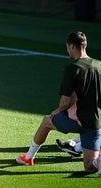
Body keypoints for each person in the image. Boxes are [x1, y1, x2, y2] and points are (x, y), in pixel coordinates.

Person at [16, 31, 101, 175]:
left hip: (77, 120)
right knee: (89, 167)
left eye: (67, 47)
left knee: (46, 121)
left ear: (72, 46)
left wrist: (58, 111)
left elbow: (65, 101)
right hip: (95, 123)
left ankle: (28, 158)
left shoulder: (72, 68)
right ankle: (98, 161)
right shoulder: (99, 65)